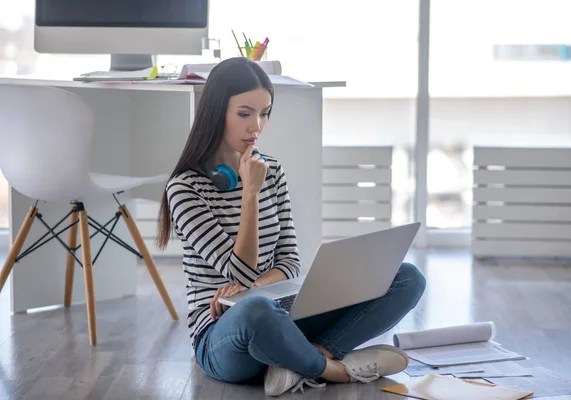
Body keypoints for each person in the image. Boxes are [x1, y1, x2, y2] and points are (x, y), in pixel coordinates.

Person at [157, 57, 427, 397]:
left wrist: (250, 288)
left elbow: (289, 262)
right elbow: (239, 273)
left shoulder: (273, 170)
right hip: (223, 336)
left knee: (407, 277)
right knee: (255, 310)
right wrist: (250, 193)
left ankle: (309, 356)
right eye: (244, 113)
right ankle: (334, 371)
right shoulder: (185, 189)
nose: (256, 125)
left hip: (281, 316)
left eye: (265, 112)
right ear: (215, 111)